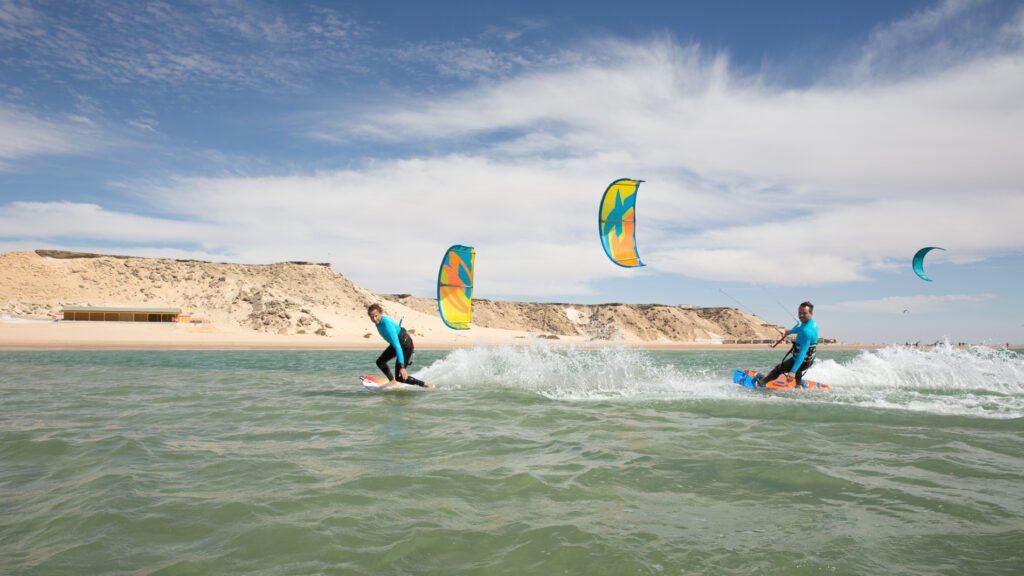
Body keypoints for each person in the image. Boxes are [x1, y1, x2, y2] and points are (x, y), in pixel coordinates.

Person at [367, 303, 434, 388]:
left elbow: (398, 346)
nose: (374, 319)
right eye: (371, 317)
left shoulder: (386, 324)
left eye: (376, 316)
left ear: (381, 313)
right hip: (397, 343)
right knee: (380, 362)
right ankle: (392, 382)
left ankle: (426, 385)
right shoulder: (379, 323)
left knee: (400, 377)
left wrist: (402, 367)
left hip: (405, 345)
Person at [757, 301, 819, 389]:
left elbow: (802, 353)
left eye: (804, 313)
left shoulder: (807, 332)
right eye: (799, 313)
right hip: (809, 361)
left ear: (811, 313)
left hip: (802, 360)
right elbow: (800, 328)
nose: (801, 315)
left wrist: (792, 372)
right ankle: (799, 384)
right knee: (799, 370)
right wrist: (789, 332)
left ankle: (762, 382)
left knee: (779, 368)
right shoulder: (812, 324)